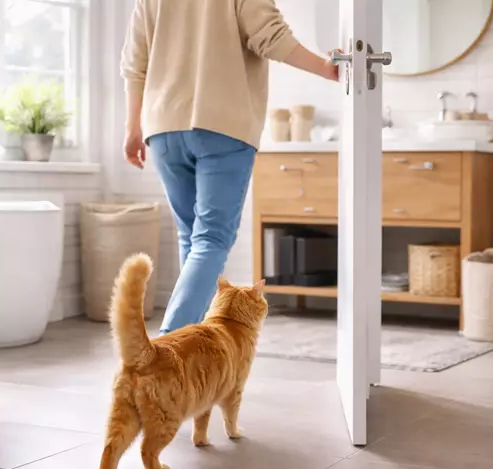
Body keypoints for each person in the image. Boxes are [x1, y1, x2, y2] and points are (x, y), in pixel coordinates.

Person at [121, 0, 338, 335]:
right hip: (222, 124)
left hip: (162, 126)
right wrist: (327, 67)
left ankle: (190, 347)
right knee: (210, 239)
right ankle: (169, 348)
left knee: (192, 237)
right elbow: (271, 37)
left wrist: (132, 128)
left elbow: (135, 64)